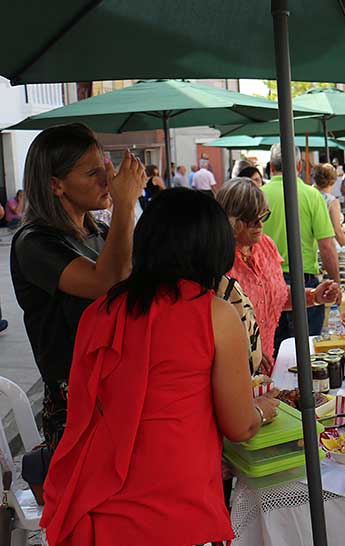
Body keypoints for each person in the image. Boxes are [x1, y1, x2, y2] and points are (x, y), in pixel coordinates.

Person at [39, 188, 281, 546]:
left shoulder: (98, 313)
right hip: (174, 505)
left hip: (96, 501)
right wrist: (261, 411)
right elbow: (239, 424)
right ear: (212, 248)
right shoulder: (215, 314)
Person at [10, 123, 146, 449]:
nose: (106, 181)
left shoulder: (98, 231)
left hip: (119, 389)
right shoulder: (34, 243)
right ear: (56, 185)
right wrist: (125, 204)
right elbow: (107, 282)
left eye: (105, 170)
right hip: (77, 405)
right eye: (91, 174)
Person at [216, 178, 339, 375]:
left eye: (262, 216)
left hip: (265, 363)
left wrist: (314, 296)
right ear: (231, 221)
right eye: (250, 220)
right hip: (233, 370)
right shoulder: (217, 260)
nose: (259, 225)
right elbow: (213, 325)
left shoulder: (266, 246)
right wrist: (247, 349)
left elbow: (275, 297)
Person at [262, 143, 339, 342]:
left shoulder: (259, 195)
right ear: (299, 167)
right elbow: (326, 246)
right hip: (303, 281)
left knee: (274, 350)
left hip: (267, 282)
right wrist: (335, 282)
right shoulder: (311, 195)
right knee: (307, 351)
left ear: (271, 166)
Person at [314, 163, 345, 247]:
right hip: (327, 244)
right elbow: (337, 231)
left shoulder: (309, 195)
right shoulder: (332, 201)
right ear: (333, 181)